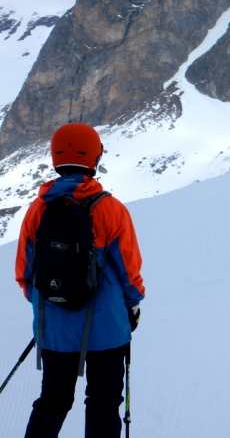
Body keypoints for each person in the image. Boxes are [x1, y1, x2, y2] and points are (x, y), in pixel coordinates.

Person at [15, 123, 145, 438]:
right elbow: (129, 270)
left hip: (54, 330)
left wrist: (53, 303)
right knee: (103, 400)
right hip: (107, 329)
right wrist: (132, 307)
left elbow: (25, 274)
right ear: (94, 156)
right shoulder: (110, 208)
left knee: (53, 399)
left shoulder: (37, 209)